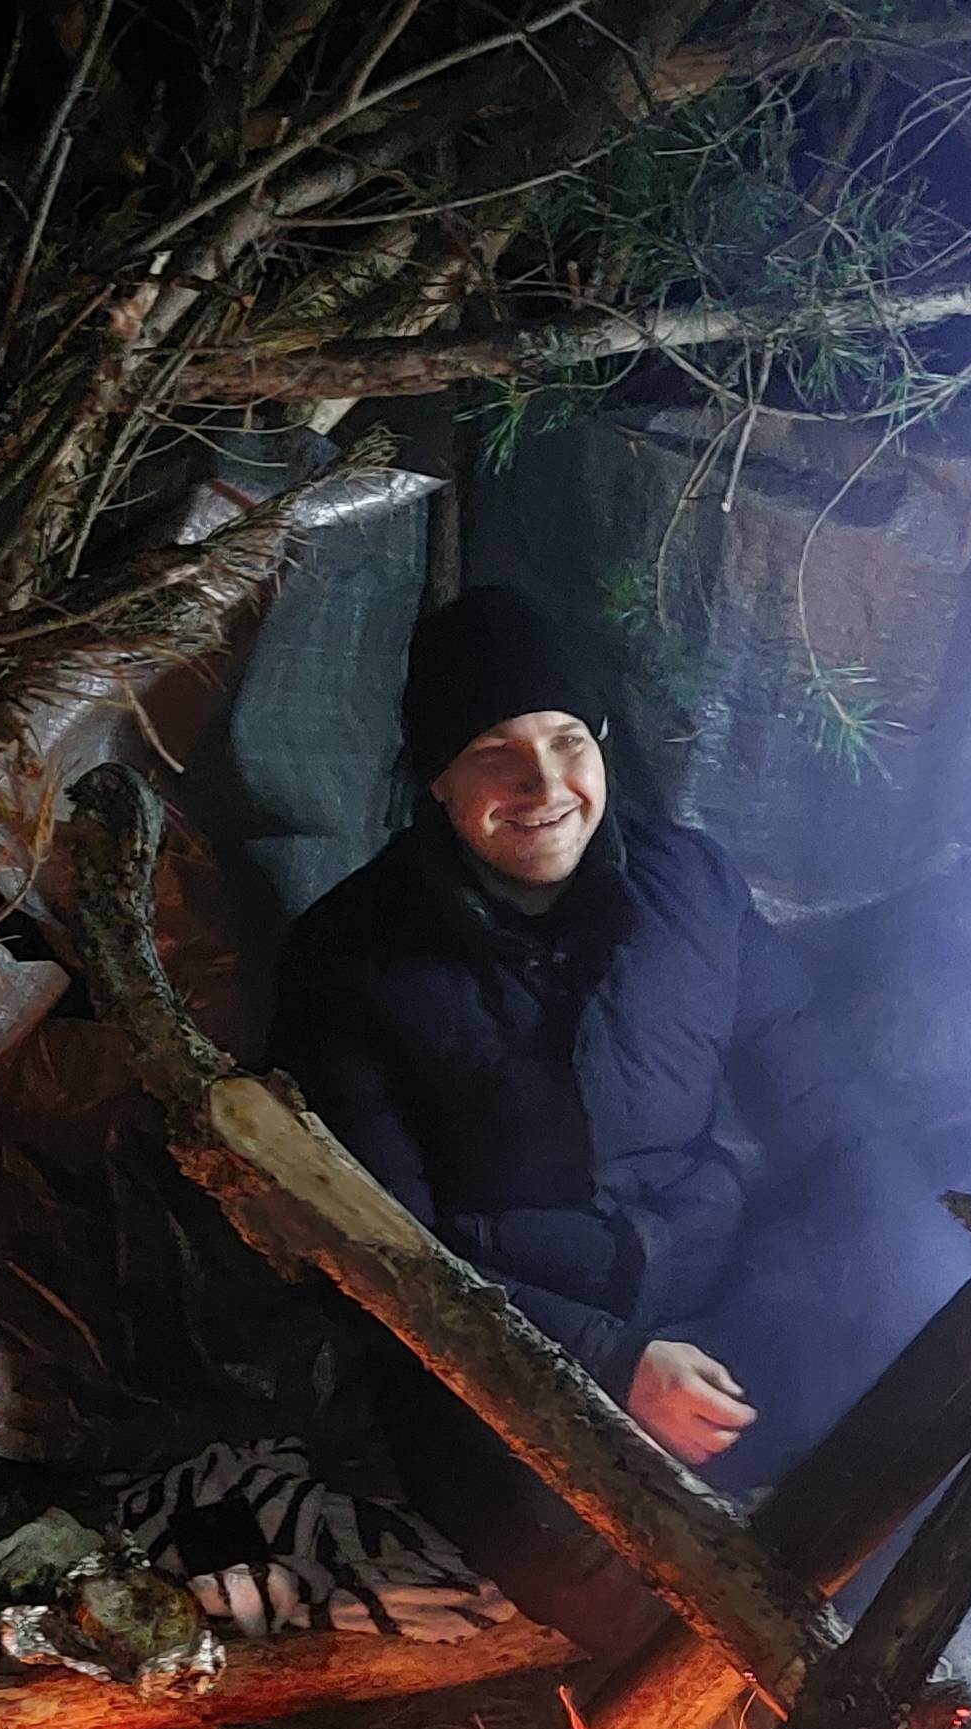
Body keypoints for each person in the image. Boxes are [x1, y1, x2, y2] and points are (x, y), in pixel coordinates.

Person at [267, 586, 814, 1656]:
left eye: (569, 740)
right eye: (493, 753)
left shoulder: (689, 887)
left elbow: (817, 1105)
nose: (545, 786)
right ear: (434, 778)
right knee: (596, 1558)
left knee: (890, 1418)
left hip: (711, 1307)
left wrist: (896, 1259)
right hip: (498, 1356)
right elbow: (388, 1252)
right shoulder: (348, 957)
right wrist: (612, 1366)